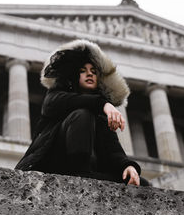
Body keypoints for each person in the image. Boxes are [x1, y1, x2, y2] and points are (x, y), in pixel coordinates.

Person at [15, 39, 148, 186]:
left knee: (142, 185)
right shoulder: (57, 96)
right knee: (82, 115)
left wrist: (127, 166)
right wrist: (103, 104)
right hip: (55, 164)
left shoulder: (100, 113)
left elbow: (112, 147)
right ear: (74, 76)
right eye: (83, 71)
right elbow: (51, 105)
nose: (89, 74)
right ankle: (81, 173)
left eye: (93, 72)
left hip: (90, 171)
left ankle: (86, 174)